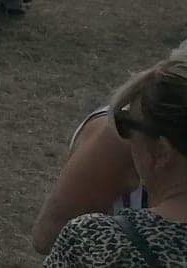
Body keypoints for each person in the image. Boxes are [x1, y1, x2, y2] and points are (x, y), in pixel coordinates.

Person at [45, 57, 187, 265]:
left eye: (127, 124)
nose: (126, 138)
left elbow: (43, 236)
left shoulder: (92, 241)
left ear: (161, 152)